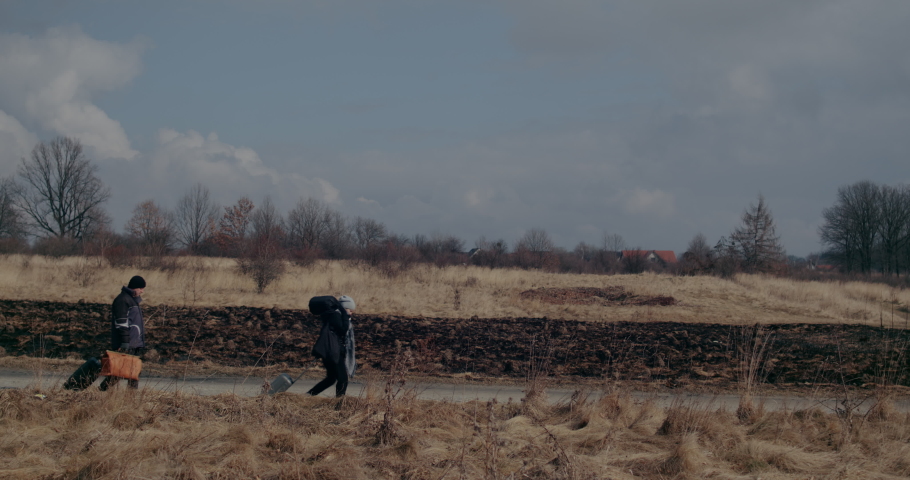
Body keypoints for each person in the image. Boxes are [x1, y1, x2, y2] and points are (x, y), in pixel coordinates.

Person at [99, 275, 147, 390]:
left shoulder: (133, 301)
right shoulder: (122, 300)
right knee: (119, 371)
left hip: (134, 343)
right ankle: (103, 391)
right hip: (126, 342)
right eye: (141, 288)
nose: (142, 291)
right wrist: (125, 342)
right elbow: (121, 323)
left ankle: (130, 397)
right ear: (134, 288)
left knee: (133, 372)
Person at [307, 295, 356, 397]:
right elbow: (342, 330)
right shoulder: (335, 315)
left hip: (332, 351)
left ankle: (308, 396)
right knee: (343, 379)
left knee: (331, 378)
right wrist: (345, 315)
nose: (351, 313)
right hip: (334, 352)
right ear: (345, 308)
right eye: (350, 310)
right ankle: (339, 404)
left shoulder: (336, 315)